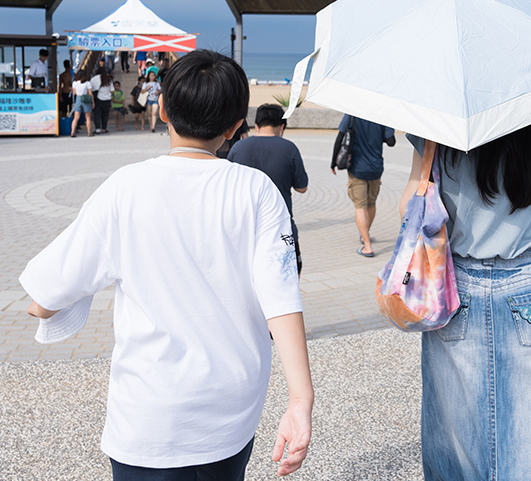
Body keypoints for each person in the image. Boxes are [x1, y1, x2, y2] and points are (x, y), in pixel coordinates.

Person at [20, 50, 313, 479]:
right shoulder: (257, 190)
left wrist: (45, 308)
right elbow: (282, 295)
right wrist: (300, 400)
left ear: (162, 109)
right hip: (232, 413)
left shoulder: (126, 186)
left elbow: (47, 294)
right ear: (235, 127)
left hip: (148, 416)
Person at [401, 111, 531, 481]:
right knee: (528, 428)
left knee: (453, 431)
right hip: (530, 279)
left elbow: (409, 207)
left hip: (457, 281)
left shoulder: (440, 117)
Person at [228, 104, 309, 273]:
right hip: (282, 228)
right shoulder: (289, 148)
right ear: (282, 127)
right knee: (290, 275)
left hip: (245, 229)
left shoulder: (238, 148)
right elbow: (302, 187)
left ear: (256, 126)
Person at [330, 115, 395, 258]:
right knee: (371, 203)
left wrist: (333, 162)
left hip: (356, 168)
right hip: (376, 167)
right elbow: (391, 142)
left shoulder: (352, 114)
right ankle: (364, 233)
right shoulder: (382, 115)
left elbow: (340, 137)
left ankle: (367, 246)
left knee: (360, 206)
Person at [90, 67, 114, 134]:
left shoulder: (93, 79)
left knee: (97, 114)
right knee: (105, 114)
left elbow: (90, 90)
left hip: (98, 99)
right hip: (107, 99)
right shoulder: (108, 78)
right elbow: (112, 90)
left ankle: (97, 129)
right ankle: (104, 128)